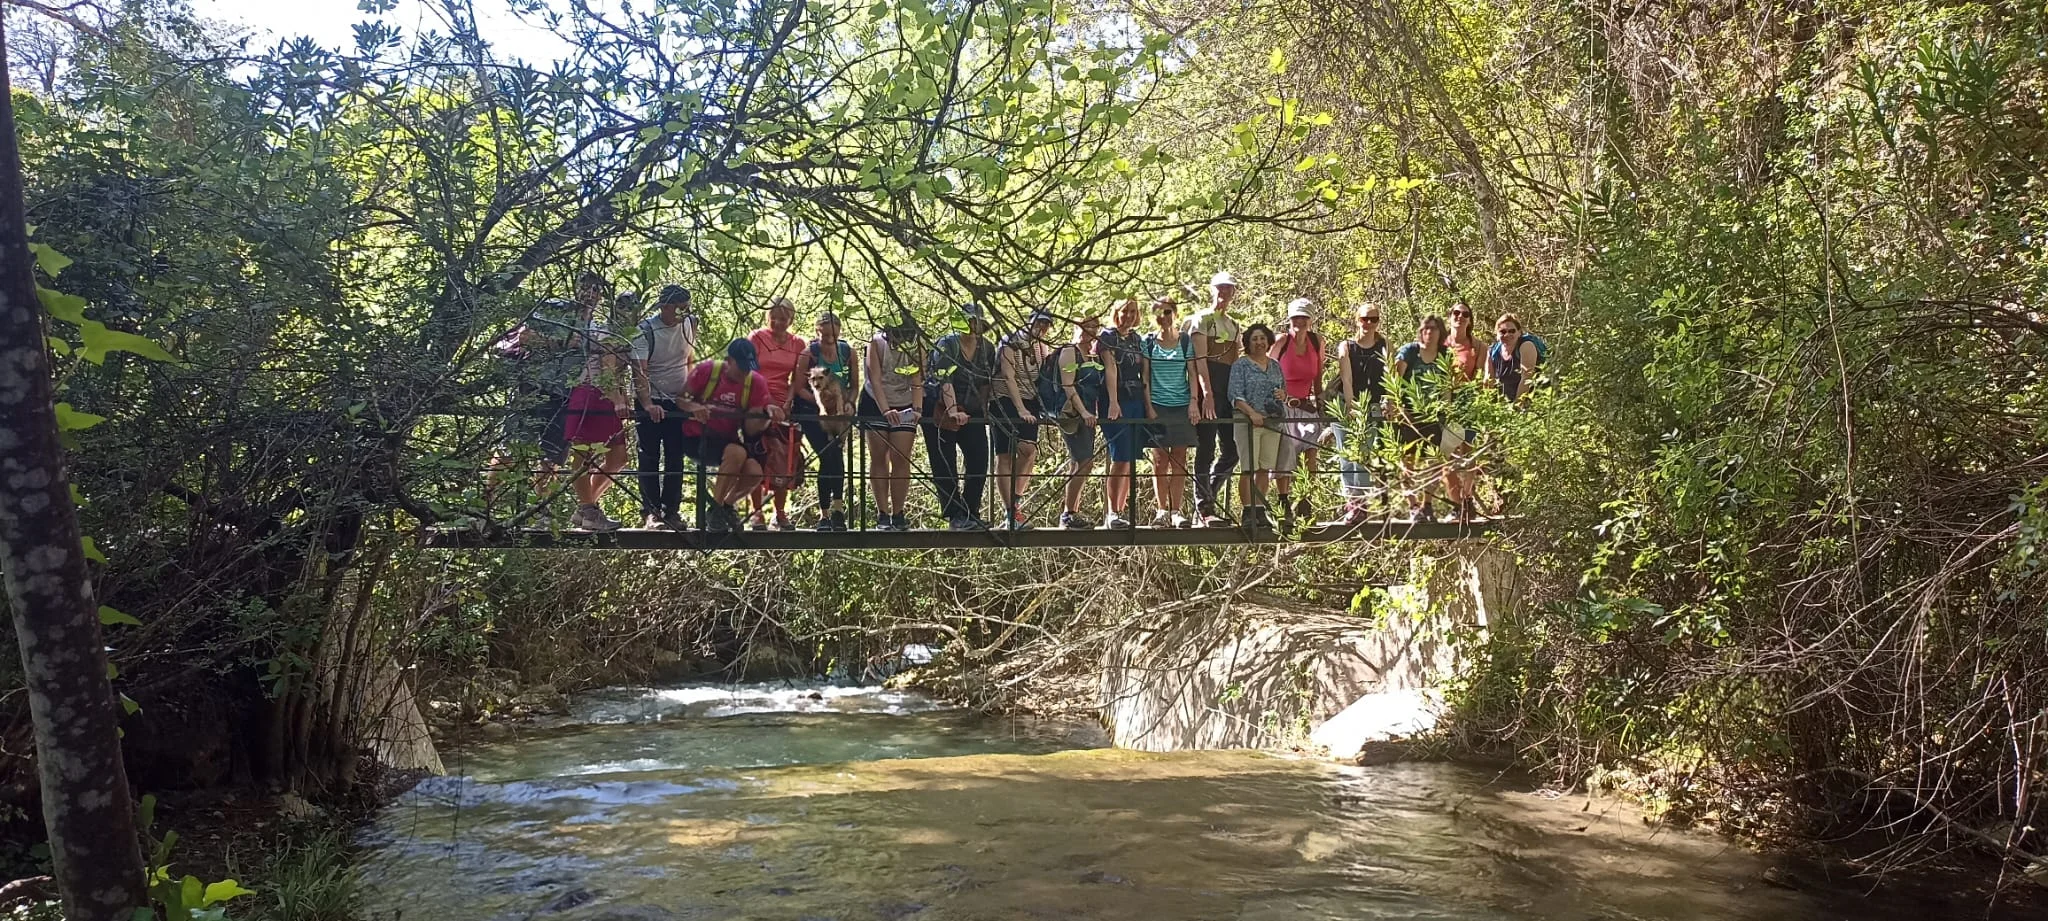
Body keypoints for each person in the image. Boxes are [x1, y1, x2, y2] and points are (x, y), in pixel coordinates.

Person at [679, 338, 779, 533]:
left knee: (754, 472)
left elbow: (751, 430)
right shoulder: (707, 371)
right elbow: (681, 399)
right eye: (741, 367)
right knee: (736, 453)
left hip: (728, 439)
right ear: (729, 361)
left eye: (748, 367)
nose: (745, 372)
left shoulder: (755, 382)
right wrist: (695, 407)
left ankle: (726, 505)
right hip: (697, 437)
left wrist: (767, 414)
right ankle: (714, 512)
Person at [560, 272, 632, 531]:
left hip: (608, 394)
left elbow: (618, 370)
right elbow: (606, 365)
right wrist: (616, 398)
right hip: (589, 390)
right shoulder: (604, 329)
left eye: (632, 307)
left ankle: (587, 508)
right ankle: (588, 509)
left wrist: (620, 395)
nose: (626, 311)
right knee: (582, 452)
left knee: (619, 458)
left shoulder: (622, 332)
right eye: (622, 306)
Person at [629, 284, 700, 530]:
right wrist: (648, 404)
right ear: (665, 307)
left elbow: (689, 359)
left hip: (678, 399)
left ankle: (672, 511)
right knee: (648, 455)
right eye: (679, 309)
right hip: (650, 398)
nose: (683, 314)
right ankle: (651, 512)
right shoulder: (645, 331)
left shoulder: (690, 324)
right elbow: (640, 370)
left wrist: (691, 395)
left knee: (675, 457)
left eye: (686, 309)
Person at [925, 303, 997, 531]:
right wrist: (953, 410)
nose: (971, 326)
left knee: (978, 460)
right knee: (944, 462)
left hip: (973, 410)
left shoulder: (987, 348)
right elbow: (945, 380)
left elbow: (986, 381)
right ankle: (955, 514)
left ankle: (971, 511)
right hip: (940, 408)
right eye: (968, 321)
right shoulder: (947, 345)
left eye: (975, 322)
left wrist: (984, 411)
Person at [747, 297, 809, 530]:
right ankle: (755, 513)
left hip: (784, 404)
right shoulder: (757, 338)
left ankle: (780, 513)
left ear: (791, 319)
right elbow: (750, 373)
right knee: (757, 455)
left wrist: (788, 402)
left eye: (784, 318)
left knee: (784, 455)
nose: (779, 323)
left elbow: (798, 378)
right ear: (768, 317)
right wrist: (767, 402)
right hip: (757, 401)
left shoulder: (798, 344)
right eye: (775, 318)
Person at [1187, 271, 1243, 526]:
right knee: (1206, 447)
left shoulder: (1233, 326)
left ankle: (1209, 493)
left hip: (1227, 390)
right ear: (1212, 289)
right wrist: (1205, 394)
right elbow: (1199, 360)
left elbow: (1234, 362)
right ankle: (1203, 506)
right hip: (1206, 389)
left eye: (1229, 288)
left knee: (1232, 450)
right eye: (1220, 287)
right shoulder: (1202, 320)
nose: (1224, 292)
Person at [860, 314, 923, 531]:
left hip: (904, 400)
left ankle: (898, 513)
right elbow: (875, 379)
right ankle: (882, 514)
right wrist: (885, 410)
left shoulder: (917, 346)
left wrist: (917, 409)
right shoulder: (876, 344)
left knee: (901, 456)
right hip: (875, 400)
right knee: (879, 455)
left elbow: (917, 379)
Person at [992, 310, 1053, 530]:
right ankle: (1010, 511)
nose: (1042, 328)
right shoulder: (1010, 342)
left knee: (1029, 451)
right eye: (1039, 323)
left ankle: (1014, 503)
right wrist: (1019, 409)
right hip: (1004, 399)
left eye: (1046, 325)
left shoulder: (1041, 347)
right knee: (1005, 454)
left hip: (1030, 401)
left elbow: (1042, 377)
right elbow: (1008, 376)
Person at [1330, 302, 1390, 525]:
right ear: (1357, 320)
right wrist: (1350, 405)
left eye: (1373, 319)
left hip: (1372, 407)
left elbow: (1389, 375)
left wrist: (1389, 401)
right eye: (1365, 319)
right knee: (1346, 457)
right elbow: (1346, 378)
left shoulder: (1384, 345)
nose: (1369, 323)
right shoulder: (1346, 346)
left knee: (1364, 456)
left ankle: (1362, 505)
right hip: (1347, 407)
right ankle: (1351, 504)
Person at [1271, 298, 1327, 523]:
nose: (1299, 322)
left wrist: (1320, 402)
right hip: (1283, 405)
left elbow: (1318, 374)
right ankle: (1283, 502)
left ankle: (1306, 500)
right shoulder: (1282, 341)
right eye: (1295, 317)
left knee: (1310, 453)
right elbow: (1268, 369)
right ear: (1289, 319)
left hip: (1306, 405)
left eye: (1304, 317)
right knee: (1285, 453)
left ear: (1311, 320)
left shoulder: (1316, 341)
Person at [1389, 315, 1451, 521]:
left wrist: (1446, 411)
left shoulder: (1444, 354)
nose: (1429, 332)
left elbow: (1446, 386)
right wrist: (1398, 409)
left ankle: (1427, 504)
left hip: (1433, 416)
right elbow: (1394, 381)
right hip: (1408, 415)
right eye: (1425, 328)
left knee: (1434, 463)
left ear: (1440, 332)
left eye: (1433, 329)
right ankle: (1412, 505)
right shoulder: (1410, 352)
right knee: (1407, 464)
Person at [1144, 297, 1199, 528]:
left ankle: (1176, 511)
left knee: (1179, 459)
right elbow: (1144, 376)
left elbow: (1193, 373)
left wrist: (1194, 402)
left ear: (1175, 313)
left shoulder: (1185, 341)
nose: (1164, 316)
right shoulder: (1147, 342)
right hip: (1157, 405)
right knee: (1159, 460)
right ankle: (1161, 511)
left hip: (1181, 405)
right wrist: (1148, 406)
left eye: (1168, 312)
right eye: (1159, 312)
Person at [1098, 298, 1151, 530]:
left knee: (1130, 460)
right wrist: (1112, 401)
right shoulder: (1107, 337)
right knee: (1119, 457)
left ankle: (1121, 512)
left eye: (1133, 311)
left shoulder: (1137, 339)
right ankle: (1112, 512)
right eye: (1124, 311)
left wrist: (1148, 406)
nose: (1129, 315)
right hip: (1115, 401)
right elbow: (1110, 368)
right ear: (1116, 312)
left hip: (1136, 400)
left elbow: (1145, 374)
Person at [1228, 323, 1288, 530]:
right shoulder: (1241, 365)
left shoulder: (1275, 365)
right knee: (1248, 467)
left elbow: (1283, 390)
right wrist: (1251, 413)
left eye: (1262, 338)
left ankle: (1260, 508)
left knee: (1265, 467)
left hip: (1272, 422)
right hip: (1248, 422)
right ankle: (1247, 510)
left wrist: (1282, 395)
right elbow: (1235, 396)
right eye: (1254, 339)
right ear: (1248, 342)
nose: (1259, 342)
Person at [804, 311, 858, 531]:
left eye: (833, 335)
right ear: (818, 331)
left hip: (841, 412)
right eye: (825, 335)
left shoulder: (848, 352)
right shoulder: (809, 353)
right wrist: (821, 401)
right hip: (813, 413)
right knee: (829, 456)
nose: (829, 339)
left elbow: (855, 385)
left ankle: (836, 512)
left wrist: (849, 403)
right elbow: (799, 386)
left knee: (835, 457)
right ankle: (827, 514)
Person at [1055, 315, 1107, 529]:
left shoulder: (1092, 356)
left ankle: (1071, 513)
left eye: (1094, 327)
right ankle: (1069, 513)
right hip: (1072, 415)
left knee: (1079, 463)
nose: (1089, 331)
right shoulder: (1070, 351)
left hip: (1089, 417)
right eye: (1085, 326)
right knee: (1084, 461)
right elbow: (1068, 385)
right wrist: (1084, 412)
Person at [1442, 301, 1486, 522]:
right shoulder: (1440, 344)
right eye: (1456, 313)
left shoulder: (1478, 346)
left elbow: (1482, 376)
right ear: (1449, 316)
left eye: (1465, 314)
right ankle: (1456, 504)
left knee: (1469, 455)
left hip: (1468, 403)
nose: (1460, 317)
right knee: (1445, 456)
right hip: (1442, 404)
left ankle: (1467, 501)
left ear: (1470, 320)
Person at [1488, 313, 1541, 403]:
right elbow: (1489, 382)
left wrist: (1516, 407)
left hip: (1533, 402)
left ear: (1519, 332)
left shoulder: (1526, 346)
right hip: (1505, 404)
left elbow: (1527, 379)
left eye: (1512, 331)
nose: (1507, 334)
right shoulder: (1492, 352)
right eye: (1503, 331)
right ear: (1496, 334)